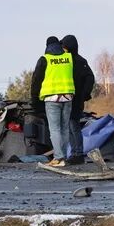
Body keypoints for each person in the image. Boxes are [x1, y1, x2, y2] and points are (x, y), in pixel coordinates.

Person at [31, 36, 76, 167]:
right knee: (65, 128)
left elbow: (36, 81)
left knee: (55, 129)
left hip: (52, 99)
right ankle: (63, 157)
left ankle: (58, 158)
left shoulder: (45, 59)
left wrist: (34, 100)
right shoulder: (68, 57)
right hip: (68, 97)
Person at [61, 35, 95, 165]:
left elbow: (90, 78)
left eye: (64, 46)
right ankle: (75, 153)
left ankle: (78, 153)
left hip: (74, 99)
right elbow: (90, 77)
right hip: (73, 98)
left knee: (73, 126)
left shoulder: (75, 61)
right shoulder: (79, 60)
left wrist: (84, 94)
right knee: (71, 126)